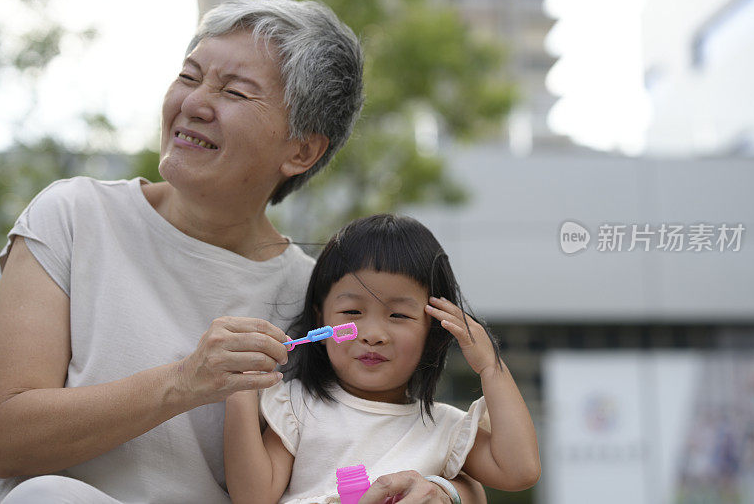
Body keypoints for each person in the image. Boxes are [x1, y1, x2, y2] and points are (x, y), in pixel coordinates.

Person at [0, 0, 486, 504]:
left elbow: (390, 431)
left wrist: (449, 491)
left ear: (301, 150)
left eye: (234, 92)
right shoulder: (73, 216)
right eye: (189, 76)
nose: (195, 103)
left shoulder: (321, 299)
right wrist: (185, 381)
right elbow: (4, 439)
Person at [223, 214, 541, 504]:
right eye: (352, 312)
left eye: (399, 314)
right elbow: (253, 498)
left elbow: (520, 470)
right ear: (320, 318)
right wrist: (240, 390)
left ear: (432, 330)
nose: (373, 334)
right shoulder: (297, 406)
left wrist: (490, 366)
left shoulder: (444, 428)